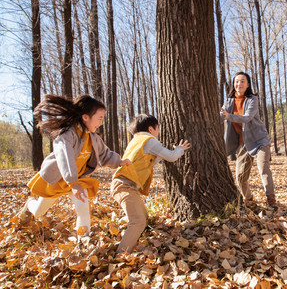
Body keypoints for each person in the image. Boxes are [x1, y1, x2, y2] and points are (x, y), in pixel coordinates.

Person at [16, 94, 131, 236]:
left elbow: (104, 154)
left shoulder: (93, 137)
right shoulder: (66, 134)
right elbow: (65, 158)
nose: (101, 122)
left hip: (78, 180)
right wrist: (73, 182)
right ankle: (30, 205)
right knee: (39, 211)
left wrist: (119, 161)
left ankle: (83, 239)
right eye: (99, 119)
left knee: (83, 207)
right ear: (85, 117)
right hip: (58, 179)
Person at [111, 114, 190, 254]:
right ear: (151, 129)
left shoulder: (137, 140)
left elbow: (147, 163)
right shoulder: (149, 140)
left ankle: (135, 239)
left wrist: (158, 154)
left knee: (144, 216)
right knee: (138, 221)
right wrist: (180, 149)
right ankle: (121, 255)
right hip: (125, 186)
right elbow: (171, 157)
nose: (159, 132)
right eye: (158, 128)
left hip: (125, 185)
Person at [220, 72, 276, 207]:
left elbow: (247, 117)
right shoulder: (228, 101)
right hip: (243, 143)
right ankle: (250, 200)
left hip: (259, 140)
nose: (239, 84)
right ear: (233, 84)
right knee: (240, 177)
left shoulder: (252, 99)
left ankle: (271, 201)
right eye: (237, 81)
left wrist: (229, 116)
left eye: (242, 81)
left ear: (248, 84)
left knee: (263, 168)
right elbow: (221, 116)